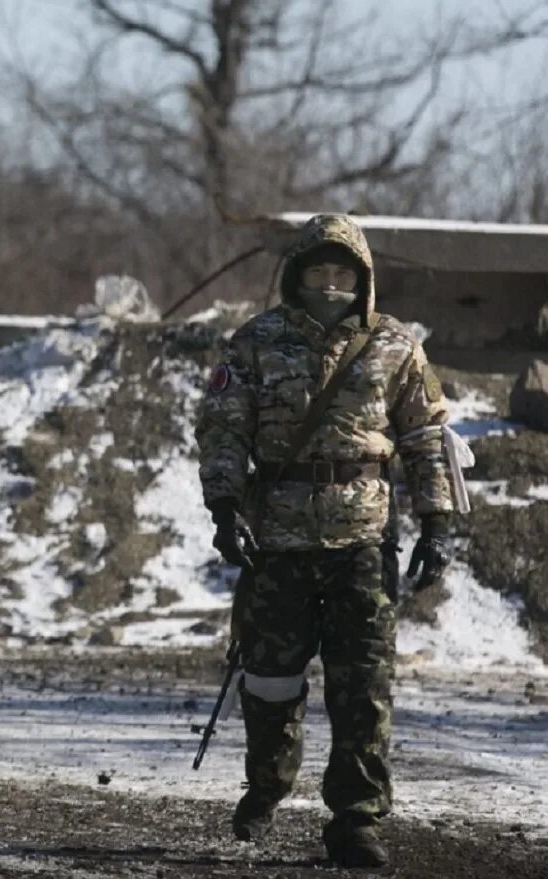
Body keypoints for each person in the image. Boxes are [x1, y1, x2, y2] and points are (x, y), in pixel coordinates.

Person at [195, 213, 456, 868]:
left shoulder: (396, 346)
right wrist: (225, 509)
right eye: (320, 270)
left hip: (363, 544)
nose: (331, 283)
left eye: (343, 272)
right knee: (270, 681)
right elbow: (223, 426)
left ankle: (356, 820)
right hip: (277, 543)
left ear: (362, 278)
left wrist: (438, 521)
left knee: (363, 686)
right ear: (298, 275)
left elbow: (427, 437)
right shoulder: (256, 341)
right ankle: (266, 786)